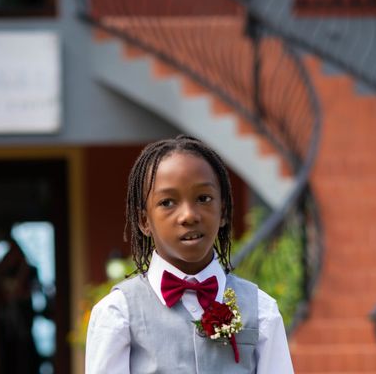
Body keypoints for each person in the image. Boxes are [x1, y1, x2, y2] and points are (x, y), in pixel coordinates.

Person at [85, 135, 295, 373]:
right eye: (167, 202)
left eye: (203, 199)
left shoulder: (261, 310)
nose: (189, 215)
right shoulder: (118, 314)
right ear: (144, 220)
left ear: (223, 211)